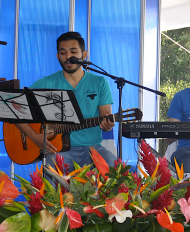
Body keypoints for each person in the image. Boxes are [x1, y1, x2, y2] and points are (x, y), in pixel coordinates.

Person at [15, 32, 116, 172]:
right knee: (51, 166)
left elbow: (106, 120)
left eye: (73, 52)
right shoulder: (47, 83)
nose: (68, 57)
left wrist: (107, 125)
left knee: (113, 166)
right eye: (63, 53)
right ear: (58, 57)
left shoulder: (99, 82)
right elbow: (15, 109)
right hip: (58, 150)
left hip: (92, 149)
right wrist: (34, 136)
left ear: (84, 54)